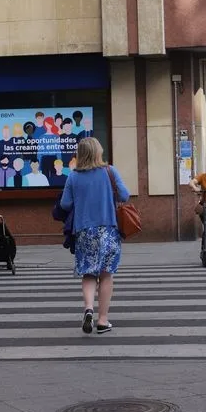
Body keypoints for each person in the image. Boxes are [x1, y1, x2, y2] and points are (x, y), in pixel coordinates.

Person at [59, 137, 129, 335]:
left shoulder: (73, 176)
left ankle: (88, 309)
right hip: (108, 229)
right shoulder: (110, 171)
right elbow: (124, 195)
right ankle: (103, 320)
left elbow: (65, 204)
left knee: (89, 273)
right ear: (99, 151)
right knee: (106, 274)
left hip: (84, 231)